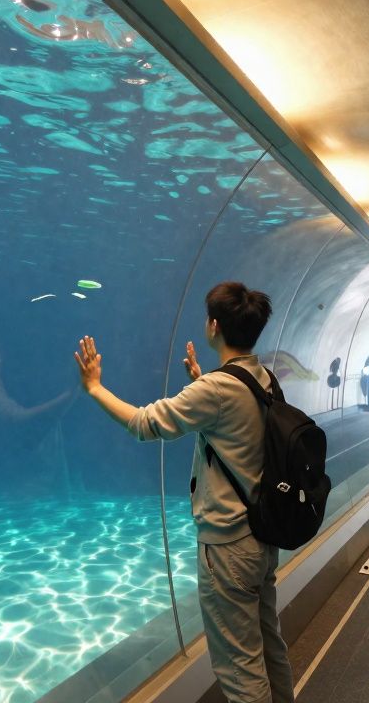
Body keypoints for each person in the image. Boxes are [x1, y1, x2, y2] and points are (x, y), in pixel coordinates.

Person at [73, 282, 294, 703]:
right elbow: (233, 420)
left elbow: (144, 423)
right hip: (263, 538)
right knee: (270, 647)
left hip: (228, 547)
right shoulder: (261, 377)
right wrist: (199, 380)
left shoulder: (215, 390)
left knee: (240, 667)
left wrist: (95, 388)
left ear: (214, 326)